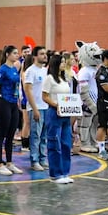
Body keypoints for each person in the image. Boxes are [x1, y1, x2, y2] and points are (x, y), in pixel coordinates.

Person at [0, 45, 23, 176]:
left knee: (11, 134)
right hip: (3, 103)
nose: (17, 55)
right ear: (7, 55)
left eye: (17, 53)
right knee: (1, 134)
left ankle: (9, 162)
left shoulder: (15, 69)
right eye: (15, 53)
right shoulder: (2, 70)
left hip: (13, 103)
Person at [42, 54, 74, 184]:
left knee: (66, 143)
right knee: (55, 143)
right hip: (54, 113)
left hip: (66, 113)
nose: (63, 64)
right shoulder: (49, 79)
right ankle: (55, 174)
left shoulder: (64, 79)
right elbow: (45, 96)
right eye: (61, 62)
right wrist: (56, 105)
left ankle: (65, 172)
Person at [24, 46, 49, 171]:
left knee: (44, 136)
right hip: (36, 107)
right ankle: (34, 160)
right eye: (42, 54)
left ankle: (42, 159)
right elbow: (28, 90)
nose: (45, 56)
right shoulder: (30, 71)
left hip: (46, 107)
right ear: (35, 56)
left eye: (45, 54)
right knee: (35, 136)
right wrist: (34, 109)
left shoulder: (46, 71)